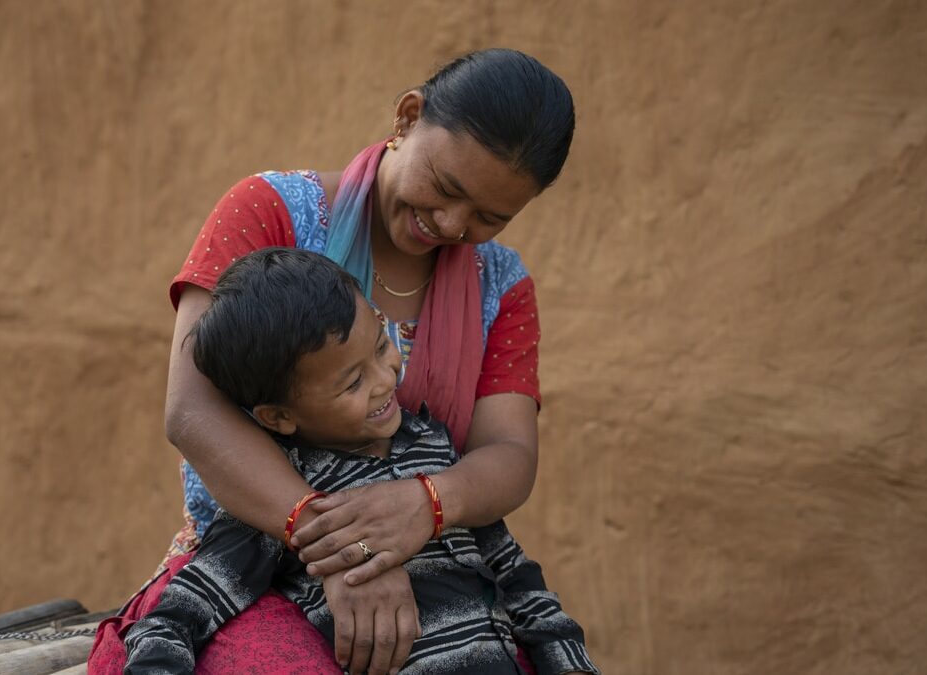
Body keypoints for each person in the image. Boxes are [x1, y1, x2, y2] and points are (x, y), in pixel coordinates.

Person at [89, 48, 576, 675]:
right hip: (252, 564)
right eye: (447, 187)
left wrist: (429, 503)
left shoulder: (501, 285)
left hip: (438, 564)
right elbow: (193, 410)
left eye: (490, 217)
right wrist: (339, 548)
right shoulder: (270, 213)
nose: (451, 223)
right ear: (407, 117)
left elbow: (509, 455)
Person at [124, 248, 598, 675]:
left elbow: (515, 575)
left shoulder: (434, 451)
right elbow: (179, 614)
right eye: (352, 383)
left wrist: (569, 661)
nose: (384, 379)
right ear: (279, 416)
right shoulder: (290, 504)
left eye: (380, 346)